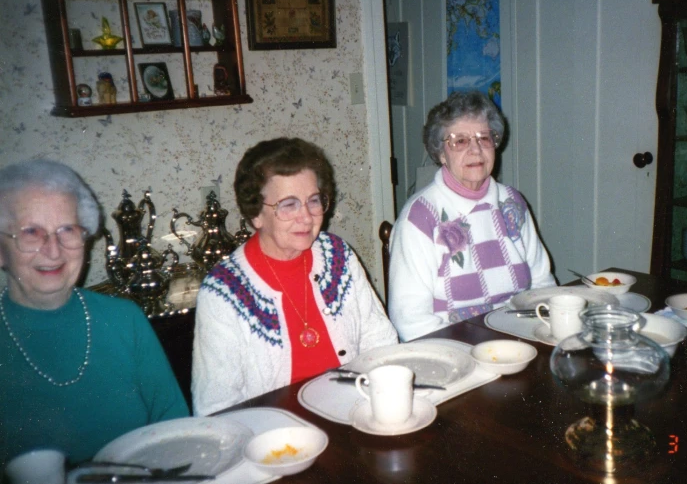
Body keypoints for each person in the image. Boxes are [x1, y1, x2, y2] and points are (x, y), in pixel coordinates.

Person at [0, 160, 188, 467]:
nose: (53, 250)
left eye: (67, 230)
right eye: (32, 232)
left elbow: (177, 429)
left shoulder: (125, 319)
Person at [192, 138, 398, 416]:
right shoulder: (224, 291)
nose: (306, 217)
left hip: (357, 413)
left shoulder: (338, 255)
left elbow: (380, 341)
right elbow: (216, 407)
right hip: (275, 439)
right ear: (256, 215)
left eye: (313, 201)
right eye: (288, 205)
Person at [389, 91, 557, 341]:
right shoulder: (420, 217)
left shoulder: (512, 203)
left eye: (484, 138)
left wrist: (537, 336)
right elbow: (410, 320)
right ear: (441, 153)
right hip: (457, 351)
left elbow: (542, 284)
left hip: (520, 342)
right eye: (460, 141)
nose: (476, 150)